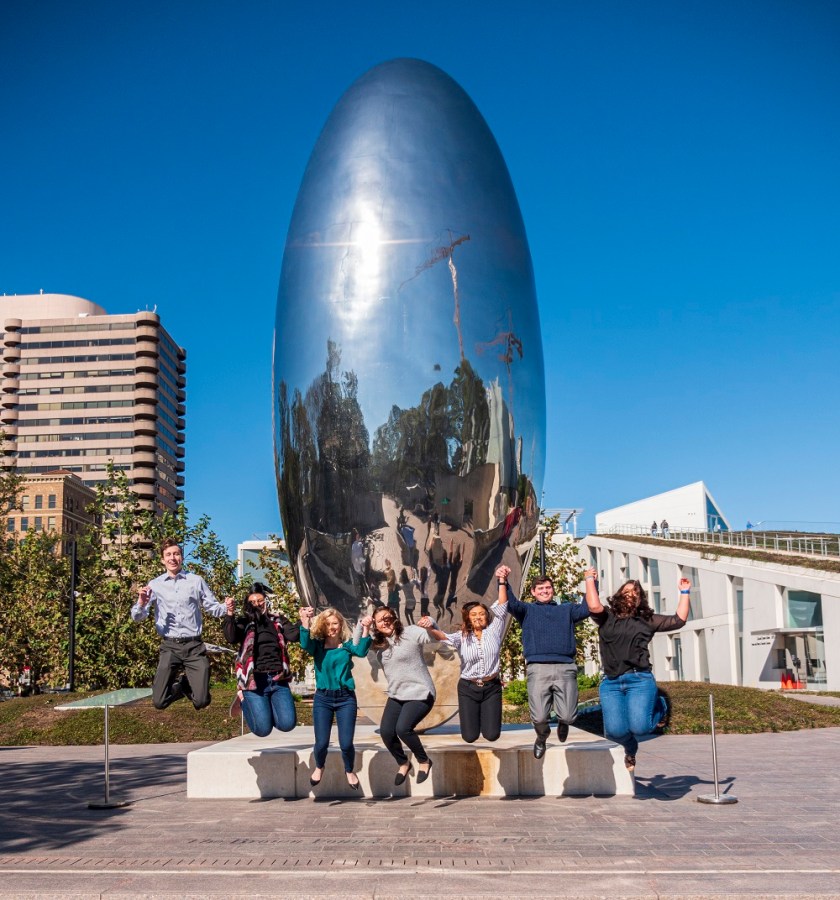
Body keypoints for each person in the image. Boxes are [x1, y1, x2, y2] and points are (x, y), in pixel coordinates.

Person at [583, 569, 690, 771]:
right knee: (614, 732)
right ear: (619, 595)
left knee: (640, 727)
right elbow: (593, 605)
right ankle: (630, 748)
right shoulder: (607, 617)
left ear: (640, 598)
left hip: (639, 679)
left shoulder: (647, 619)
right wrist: (590, 579)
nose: (630, 594)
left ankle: (661, 705)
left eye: (635, 592)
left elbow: (679, 620)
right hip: (611, 682)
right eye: (626, 591)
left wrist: (684, 592)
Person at [501, 564, 590, 758]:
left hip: (565, 667)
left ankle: (563, 723)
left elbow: (587, 608)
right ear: (533, 592)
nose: (544, 591)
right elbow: (510, 603)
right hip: (538, 668)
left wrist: (591, 581)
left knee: (568, 715)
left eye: (548, 588)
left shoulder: (567, 610)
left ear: (553, 590)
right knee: (539, 716)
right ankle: (542, 736)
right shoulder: (527, 610)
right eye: (540, 588)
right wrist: (503, 581)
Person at [132, 537, 230, 710]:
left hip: (194, 646)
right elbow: (138, 617)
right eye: (168, 554)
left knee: (201, 701)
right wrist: (141, 602)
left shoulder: (196, 581)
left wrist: (227, 607)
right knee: (159, 702)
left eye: (176, 554)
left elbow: (212, 607)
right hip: (170, 647)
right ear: (162, 559)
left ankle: (187, 685)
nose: (172, 558)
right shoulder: (155, 585)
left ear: (181, 557)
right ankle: (181, 687)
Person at [419, 587, 509, 743]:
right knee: (469, 736)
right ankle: (475, 720)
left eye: (481, 614)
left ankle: (487, 719)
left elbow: (502, 606)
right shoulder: (462, 636)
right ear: (468, 618)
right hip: (468, 688)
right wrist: (429, 626)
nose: (478, 617)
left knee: (492, 735)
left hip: (491, 687)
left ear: (487, 617)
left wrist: (502, 581)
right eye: (474, 614)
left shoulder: (495, 630)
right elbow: (442, 636)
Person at [299, 606, 372, 790]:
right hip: (323, 699)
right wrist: (305, 621)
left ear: (341, 625)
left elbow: (362, 651)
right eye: (328, 624)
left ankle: (349, 770)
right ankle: (319, 766)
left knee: (346, 743)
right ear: (323, 626)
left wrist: (366, 628)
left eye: (335, 623)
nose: (332, 627)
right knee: (322, 742)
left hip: (345, 698)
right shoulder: (317, 646)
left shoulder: (347, 646)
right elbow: (305, 643)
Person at [369, 606, 436, 785]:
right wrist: (363, 626)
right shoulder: (378, 645)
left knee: (403, 729)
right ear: (375, 625)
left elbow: (432, 636)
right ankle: (404, 762)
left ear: (394, 618)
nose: (385, 621)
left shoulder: (411, 632)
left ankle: (424, 761)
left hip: (421, 692)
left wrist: (431, 623)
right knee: (386, 732)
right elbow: (355, 646)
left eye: (388, 617)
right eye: (380, 620)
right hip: (397, 695)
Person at [223, 583, 300, 735]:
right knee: (262, 730)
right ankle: (243, 699)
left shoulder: (278, 620)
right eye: (252, 602)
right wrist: (230, 613)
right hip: (254, 681)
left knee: (287, 725)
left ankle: (266, 708)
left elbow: (294, 635)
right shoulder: (244, 622)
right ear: (248, 604)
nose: (257, 604)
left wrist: (303, 621)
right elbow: (231, 637)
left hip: (278, 679)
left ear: (266, 600)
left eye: (260, 600)